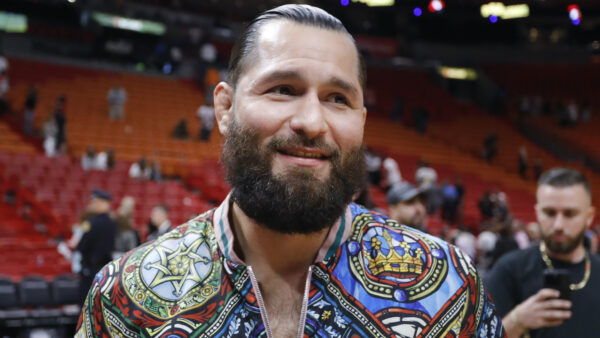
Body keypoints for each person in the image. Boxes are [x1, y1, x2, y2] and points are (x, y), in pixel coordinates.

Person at [76, 5, 504, 337]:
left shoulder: (449, 285)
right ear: (224, 109)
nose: (313, 122)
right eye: (283, 89)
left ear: (362, 119)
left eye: (338, 98)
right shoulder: (127, 297)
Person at [487, 168, 600, 338]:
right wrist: (517, 320)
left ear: (589, 216)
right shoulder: (508, 269)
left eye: (570, 214)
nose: (558, 225)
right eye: (549, 213)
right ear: (537, 212)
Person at [75, 189, 117, 305]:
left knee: (86, 304)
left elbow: (82, 245)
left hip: (90, 270)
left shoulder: (92, 223)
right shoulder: (111, 223)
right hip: (105, 270)